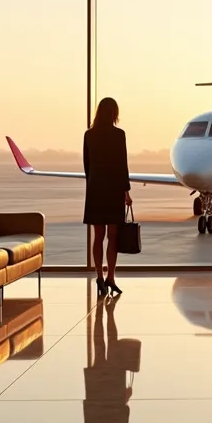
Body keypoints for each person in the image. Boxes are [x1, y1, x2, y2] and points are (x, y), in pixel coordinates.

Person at [83, 97, 132, 296]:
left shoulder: (89, 135)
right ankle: (111, 276)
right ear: (114, 113)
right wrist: (126, 192)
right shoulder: (119, 135)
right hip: (113, 190)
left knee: (98, 237)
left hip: (95, 191)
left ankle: (99, 277)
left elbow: (87, 165)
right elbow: (123, 165)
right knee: (113, 237)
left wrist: (93, 184)